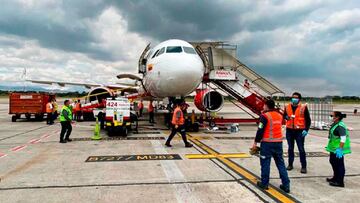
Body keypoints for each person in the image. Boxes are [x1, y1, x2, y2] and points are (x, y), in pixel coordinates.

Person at [251, 99, 290, 193]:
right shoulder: (279, 115)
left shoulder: (265, 116)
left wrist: (255, 142)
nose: (263, 107)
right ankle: (286, 185)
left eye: (264, 105)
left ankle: (264, 184)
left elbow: (260, 129)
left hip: (267, 144)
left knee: (265, 163)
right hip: (278, 143)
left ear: (267, 106)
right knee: (280, 164)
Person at [284, 92, 311, 173]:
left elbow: (308, 120)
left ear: (299, 99)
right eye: (293, 97)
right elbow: (284, 115)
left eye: (296, 97)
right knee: (290, 148)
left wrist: (306, 129)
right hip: (289, 130)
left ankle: (303, 166)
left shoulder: (303, 107)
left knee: (301, 149)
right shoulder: (287, 106)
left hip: (299, 131)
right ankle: (290, 164)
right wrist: (286, 117)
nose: (294, 99)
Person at [326, 111, 351, 187]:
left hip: (338, 149)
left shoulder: (340, 126)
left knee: (339, 164)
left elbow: (343, 138)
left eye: (332, 115)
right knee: (333, 161)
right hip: (334, 148)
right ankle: (335, 177)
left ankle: (340, 182)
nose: (331, 117)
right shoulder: (335, 124)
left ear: (336, 117)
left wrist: (340, 149)